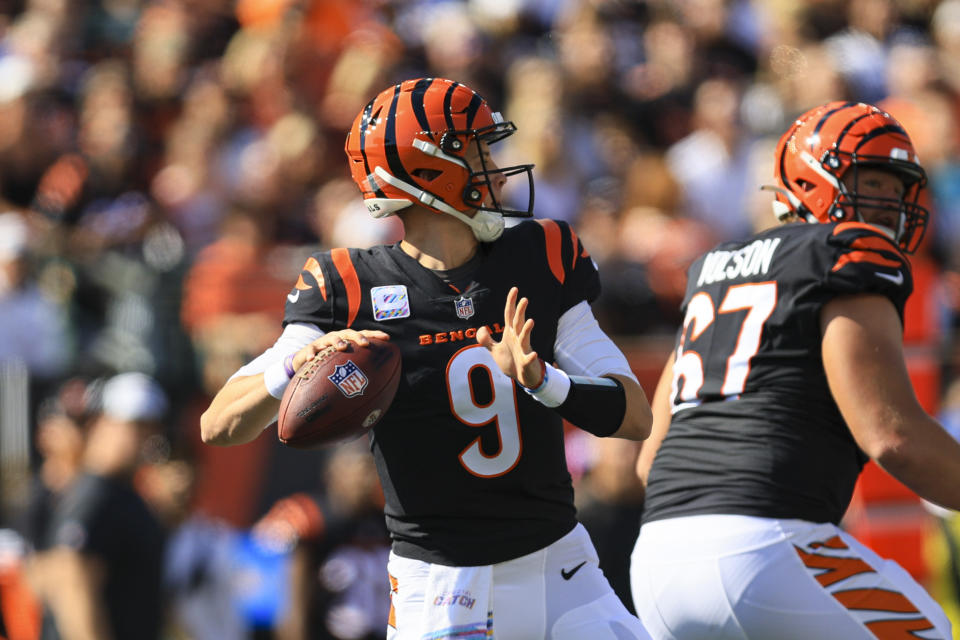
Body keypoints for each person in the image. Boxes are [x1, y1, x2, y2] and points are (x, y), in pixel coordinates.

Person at [201, 77, 653, 639]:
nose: (495, 162)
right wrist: (294, 364)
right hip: (440, 585)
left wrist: (544, 380)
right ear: (429, 169)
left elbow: (635, 415)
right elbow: (218, 424)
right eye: (477, 148)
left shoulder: (541, 252)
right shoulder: (348, 285)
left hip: (559, 565)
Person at [629, 100, 960, 639]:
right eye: (871, 182)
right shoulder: (846, 258)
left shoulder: (714, 269)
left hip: (657, 564)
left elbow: (650, 462)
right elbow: (893, 435)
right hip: (767, 546)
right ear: (811, 181)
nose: (889, 204)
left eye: (896, 189)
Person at [27, 372, 168, 640]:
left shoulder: (119, 493)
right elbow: (72, 582)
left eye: (149, 427)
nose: (142, 437)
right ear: (101, 422)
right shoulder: (94, 492)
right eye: (132, 425)